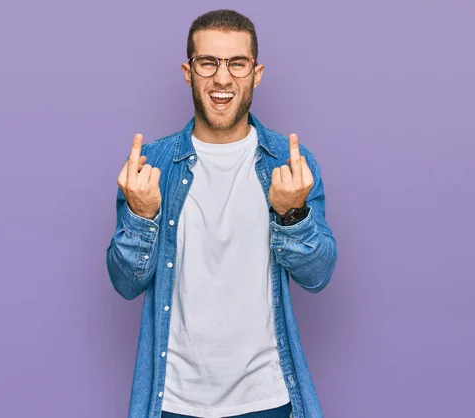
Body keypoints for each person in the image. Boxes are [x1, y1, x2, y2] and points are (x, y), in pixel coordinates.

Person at [106, 9, 338, 418]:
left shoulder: (290, 165)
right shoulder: (151, 167)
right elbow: (126, 284)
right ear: (188, 71)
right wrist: (142, 217)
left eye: (237, 63)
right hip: (174, 402)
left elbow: (318, 277)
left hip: (268, 400)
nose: (223, 78)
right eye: (208, 62)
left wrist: (292, 214)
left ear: (257, 72)